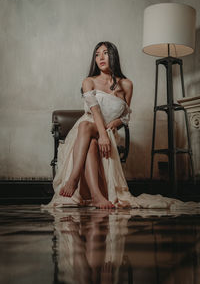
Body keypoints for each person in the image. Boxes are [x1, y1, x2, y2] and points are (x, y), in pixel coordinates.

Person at [44, 41, 200, 210]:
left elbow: (125, 117)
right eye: (97, 54)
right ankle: (89, 190)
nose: (101, 57)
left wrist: (112, 125)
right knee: (87, 130)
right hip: (86, 131)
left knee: (92, 136)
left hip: (109, 132)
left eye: (105, 53)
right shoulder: (88, 81)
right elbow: (95, 111)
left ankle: (84, 187)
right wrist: (102, 134)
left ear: (113, 56)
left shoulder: (126, 84)